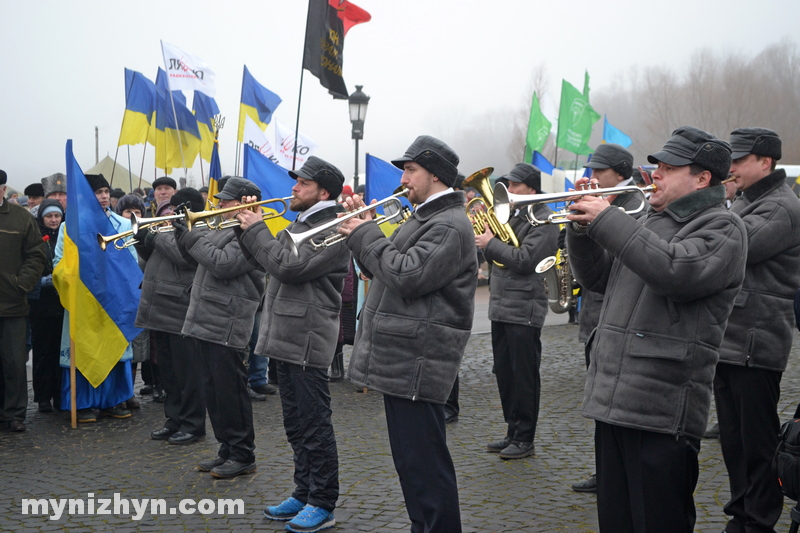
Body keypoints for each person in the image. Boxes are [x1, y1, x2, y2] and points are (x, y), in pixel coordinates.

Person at [565, 126, 747, 532]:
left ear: (702, 179)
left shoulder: (724, 228)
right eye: (656, 167)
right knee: (618, 521)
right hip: (613, 399)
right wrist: (581, 229)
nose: (655, 175)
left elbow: (676, 271)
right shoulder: (648, 220)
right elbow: (597, 280)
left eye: (668, 168)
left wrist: (609, 219)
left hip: (662, 410)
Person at [338, 135, 477, 532]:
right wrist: (360, 236)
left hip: (418, 359)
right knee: (411, 466)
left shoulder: (449, 224)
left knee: (425, 468)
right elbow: (384, 270)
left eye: (411, 169)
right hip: (403, 358)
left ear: (435, 174)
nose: (403, 178)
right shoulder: (424, 218)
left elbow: (406, 274)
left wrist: (366, 235)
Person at [234, 157, 349, 533]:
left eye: (302, 183)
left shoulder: (331, 226)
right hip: (285, 334)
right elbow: (267, 260)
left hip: (308, 335)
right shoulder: (302, 222)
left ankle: (323, 501)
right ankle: (303, 491)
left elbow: (288, 267)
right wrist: (245, 223)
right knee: (296, 424)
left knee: (315, 424)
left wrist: (259, 229)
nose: (294, 188)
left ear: (323, 192)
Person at [714, 128, 800, 533]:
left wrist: (705, 202)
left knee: (758, 445)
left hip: (757, 342)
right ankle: (741, 515)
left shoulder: (781, 206)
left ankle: (760, 522)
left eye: (740, 160)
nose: (730, 168)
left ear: (765, 162)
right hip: (731, 339)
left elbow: (733, 247)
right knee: (733, 443)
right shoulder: (748, 199)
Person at [171, 177, 266, 479]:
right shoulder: (223, 227)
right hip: (206, 317)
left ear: (246, 203)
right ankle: (226, 448)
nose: (220, 204)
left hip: (228, 319)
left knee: (231, 391)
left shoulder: (250, 234)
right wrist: (182, 235)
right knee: (212, 390)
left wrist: (191, 239)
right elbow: (197, 257)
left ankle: (242, 453)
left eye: (227, 200)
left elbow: (223, 264)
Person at [570, 143, 643, 492]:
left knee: (619, 407)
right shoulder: (607, 202)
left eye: (599, 171)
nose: (592, 177)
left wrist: (601, 217)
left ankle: (616, 475)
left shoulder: (635, 206)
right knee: (600, 406)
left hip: (619, 321)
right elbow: (591, 271)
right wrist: (577, 226)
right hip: (596, 318)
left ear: (620, 173)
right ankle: (606, 472)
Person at [477, 163, 558, 460]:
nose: (507, 192)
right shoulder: (508, 215)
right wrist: (488, 242)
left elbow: (525, 260)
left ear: (531, 190)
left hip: (524, 306)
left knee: (524, 374)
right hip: (501, 305)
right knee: (504, 372)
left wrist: (491, 243)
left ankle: (525, 437)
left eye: (514, 186)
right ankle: (513, 430)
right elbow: (500, 255)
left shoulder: (544, 219)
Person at [55, 173, 136, 422]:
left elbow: (132, 259)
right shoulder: (70, 226)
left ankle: (114, 400)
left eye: (105, 192)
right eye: (97, 192)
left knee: (113, 348)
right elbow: (59, 261)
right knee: (86, 350)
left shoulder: (122, 225)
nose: (103, 197)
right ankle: (83, 403)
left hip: (115, 299)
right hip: (84, 300)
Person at [135, 188, 208, 445]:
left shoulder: (202, 228)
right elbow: (153, 257)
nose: (173, 213)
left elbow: (184, 257)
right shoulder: (170, 229)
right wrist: (142, 240)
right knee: (169, 373)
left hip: (181, 310)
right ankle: (174, 419)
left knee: (188, 373)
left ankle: (193, 424)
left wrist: (155, 238)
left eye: (177, 208)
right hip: (161, 309)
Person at [0, 169, 46, 432]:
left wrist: (22, 284)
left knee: (15, 362)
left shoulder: (20, 217)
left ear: (3, 190)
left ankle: (14, 413)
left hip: (13, 304)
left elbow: (37, 254)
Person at [29, 199, 65, 414]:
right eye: (49, 216)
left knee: (61, 351)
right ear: (42, 218)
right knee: (43, 351)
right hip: (42, 303)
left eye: (57, 216)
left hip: (62, 302)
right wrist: (41, 282)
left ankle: (61, 393)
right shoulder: (35, 239)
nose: (53, 220)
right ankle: (43, 396)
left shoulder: (66, 236)